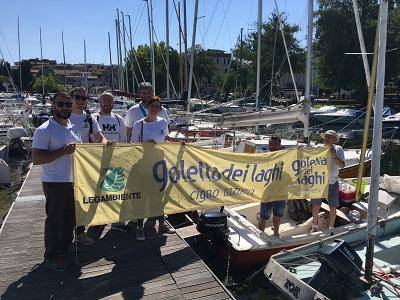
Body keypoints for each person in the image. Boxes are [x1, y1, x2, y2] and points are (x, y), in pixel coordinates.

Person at [32, 92, 80, 272]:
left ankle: (64, 250)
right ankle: (50, 256)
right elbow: (36, 158)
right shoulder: (44, 129)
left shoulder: (73, 127)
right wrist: (63, 151)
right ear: (53, 105)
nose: (65, 108)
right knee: (55, 220)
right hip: (55, 182)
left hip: (73, 181)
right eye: (61, 104)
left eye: (68, 104)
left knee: (70, 218)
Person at [69, 87, 112, 246]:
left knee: (84, 197)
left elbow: (100, 138)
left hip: (84, 164)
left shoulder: (89, 118)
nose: (81, 101)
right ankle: (67, 235)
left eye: (84, 98)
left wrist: (108, 145)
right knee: (69, 201)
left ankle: (80, 232)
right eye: (77, 97)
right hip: (65, 165)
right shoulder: (64, 116)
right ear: (71, 98)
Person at [130, 96, 175, 241]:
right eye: (153, 106)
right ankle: (139, 227)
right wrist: (146, 144)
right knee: (142, 198)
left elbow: (165, 140)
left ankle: (162, 225)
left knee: (158, 197)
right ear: (147, 107)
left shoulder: (163, 122)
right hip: (143, 165)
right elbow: (133, 145)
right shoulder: (139, 124)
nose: (155, 109)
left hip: (160, 164)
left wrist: (177, 144)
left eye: (158, 106)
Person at [92, 92, 128, 232]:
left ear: (113, 103)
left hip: (115, 161)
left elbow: (124, 140)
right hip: (96, 161)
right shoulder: (94, 118)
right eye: (104, 101)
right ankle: (97, 220)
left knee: (114, 191)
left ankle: (115, 219)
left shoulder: (119, 119)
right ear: (100, 102)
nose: (107, 104)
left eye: (109, 101)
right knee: (97, 192)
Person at [311, 130, 345, 232]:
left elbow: (342, 165)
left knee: (333, 206)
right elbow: (306, 156)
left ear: (334, 140)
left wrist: (334, 155)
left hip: (333, 182)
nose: (327, 139)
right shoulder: (318, 148)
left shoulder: (338, 149)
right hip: (319, 181)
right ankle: (314, 226)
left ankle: (331, 227)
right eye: (326, 137)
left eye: (330, 137)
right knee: (316, 205)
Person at [258, 136, 286, 236]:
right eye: (271, 144)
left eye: (275, 144)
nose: (273, 146)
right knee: (264, 215)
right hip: (267, 190)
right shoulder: (264, 157)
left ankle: (276, 233)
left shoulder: (287, 157)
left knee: (278, 214)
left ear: (280, 145)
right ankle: (260, 234)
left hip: (281, 190)